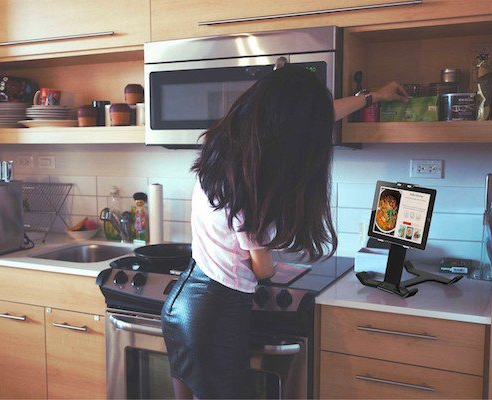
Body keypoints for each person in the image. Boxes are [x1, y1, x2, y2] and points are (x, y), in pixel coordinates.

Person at [161, 65, 408, 399]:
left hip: (185, 302)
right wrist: (276, 264)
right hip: (215, 314)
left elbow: (315, 117)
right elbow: (263, 268)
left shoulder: (227, 148)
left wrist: (372, 96)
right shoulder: (252, 186)